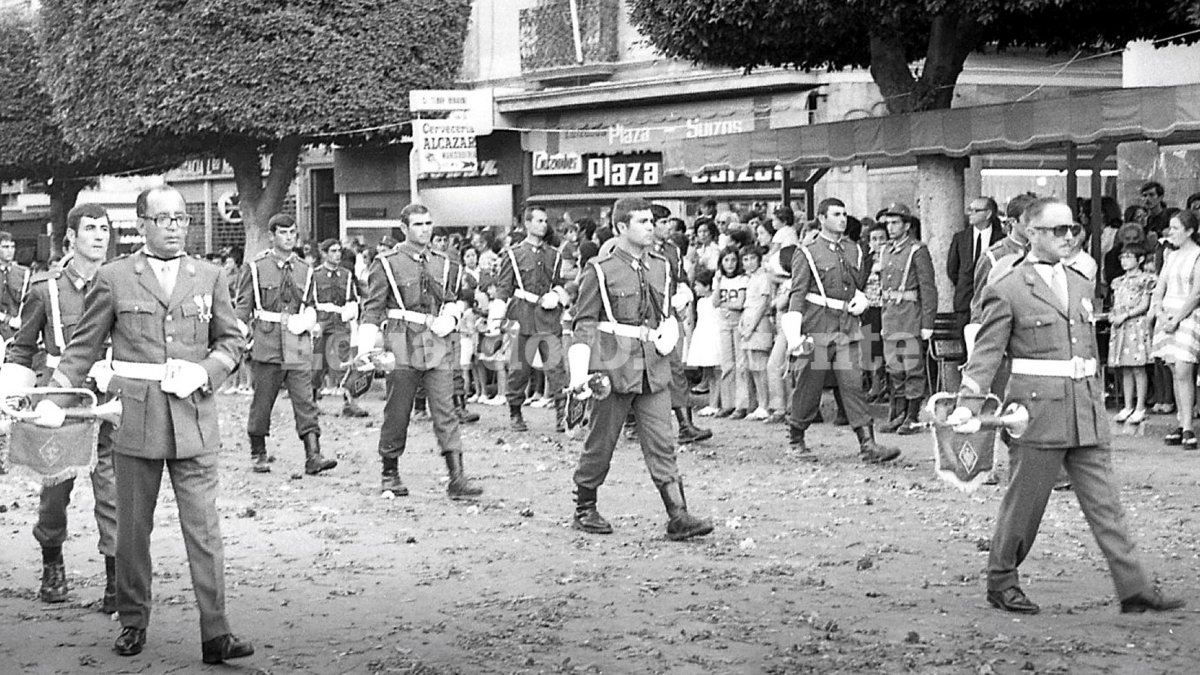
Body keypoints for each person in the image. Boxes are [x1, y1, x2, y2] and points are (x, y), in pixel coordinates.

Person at [39, 185, 253, 662]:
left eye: (181, 218)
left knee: (205, 530)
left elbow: (232, 344)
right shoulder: (116, 278)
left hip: (194, 418)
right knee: (133, 530)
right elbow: (83, 346)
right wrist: (57, 398)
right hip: (136, 418)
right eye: (164, 219)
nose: (175, 227)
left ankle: (216, 632)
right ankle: (133, 620)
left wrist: (205, 371)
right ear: (142, 225)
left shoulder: (210, 275)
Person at [954, 196, 1183, 616]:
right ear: (1032, 233)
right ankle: (1001, 580)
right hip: (1037, 413)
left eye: (1072, 229)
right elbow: (986, 353)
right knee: (1025, 504)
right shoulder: (1006, 288)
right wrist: (969, 402)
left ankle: (1134, 588)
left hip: (1084, 409)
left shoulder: (1080, 282)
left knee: (1106, 504)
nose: (1068, 236)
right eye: (1057, 230)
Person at [568, 196, 713, 541]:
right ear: (621, 227)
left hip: (653, 364)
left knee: (663, 441)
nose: (651, 227)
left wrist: (672, 329)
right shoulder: (600, 270)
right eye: (643, 222)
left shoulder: (661, 264)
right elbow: (585, 323)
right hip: (614, 366)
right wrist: (580, 374)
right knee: (601, 442)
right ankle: (584, 506)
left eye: (652, 221)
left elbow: (665, 312)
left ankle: (677, 514)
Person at [1, 204, 117, 610]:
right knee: (54, 491)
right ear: (70, 237)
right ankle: (52, 562)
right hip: (59, 402)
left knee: (113, 490)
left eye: (105, 228)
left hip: (107, 400)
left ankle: (115, 579)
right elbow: (21, 349)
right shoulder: (44, 288)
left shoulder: (120, 282)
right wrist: (13, 390)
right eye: (90, 229)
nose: (99, 236)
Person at [357, 203, 483, 499]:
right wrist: (365, 351)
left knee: (445, 408)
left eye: (428, 223)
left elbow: (451, 298)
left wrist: (450, 318)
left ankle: (457, 477)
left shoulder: (444, 262)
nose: (425, 229)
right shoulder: (386, 262)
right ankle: (390, 472)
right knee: (398, 410)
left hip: (436, 342)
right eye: (418, 224)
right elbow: (373, 309)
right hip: (401, 341)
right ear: (404, 228)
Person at [779, 198, 900, 464]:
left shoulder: (854, 249)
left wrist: (863, 299)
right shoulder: (808, 251)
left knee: (852, 385)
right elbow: (798, 292)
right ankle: (796, 437)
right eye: (836, 214)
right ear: (822, 218)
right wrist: (794, 333)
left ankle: (868, 444)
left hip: (847, 327)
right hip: (818, 328)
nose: (842, 219)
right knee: (809, 386)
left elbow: (857, 283)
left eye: (845, 214)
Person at [235, 214, 337, 476]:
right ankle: (258, 451)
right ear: (272, 236)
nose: (289, 237)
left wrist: (307, 319)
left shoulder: (305, 269)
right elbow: (244, 307)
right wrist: (235, 338)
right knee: (263, 399)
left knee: (305, 398)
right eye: (283, 232)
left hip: (297, 340)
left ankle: (313, 454)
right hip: (268, 340)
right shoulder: (256, 268)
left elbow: (312, 304)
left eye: (293, 232)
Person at [494, 206, 569, 432]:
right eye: (538, 220)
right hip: (523, 316)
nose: (543, 225)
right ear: (526, 223)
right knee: (520, 370)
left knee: (556, 368)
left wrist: (555, 295)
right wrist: (496, 319)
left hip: (548, 316)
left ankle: (561, 414)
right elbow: (504, 287)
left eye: (545, 221)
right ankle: (515, 412)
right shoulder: (513, 255)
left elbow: (559, 283)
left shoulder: (554, 255)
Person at [651, 204, 712, 444]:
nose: (668, 227)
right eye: (662, 223)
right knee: (638, 370)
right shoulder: (638, 250)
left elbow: (681, 279)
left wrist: (685, 294)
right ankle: (632, 423)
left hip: (668, 318)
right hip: (643, 321)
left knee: (676, 371)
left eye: (669, 222)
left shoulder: (673, 251)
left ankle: (686, 426)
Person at [874, 203, 937, 435]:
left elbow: (928, 288)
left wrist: (927, 323)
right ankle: (897, 414)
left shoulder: (916, 250)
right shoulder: (886, 250)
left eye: (895, 222)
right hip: (890, 317)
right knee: (894, 369)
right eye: (888, 223)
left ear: (907, 225)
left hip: (910, 316)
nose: (890, 227)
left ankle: (911, 416)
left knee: (912, 368)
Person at [1149, 209, 1200, 449]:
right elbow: (1159, 287)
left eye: (1176, 228)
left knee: (1183, 368)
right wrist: (1159, 311)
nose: (1171, 233)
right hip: (1167, 313)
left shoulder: (1198, 255)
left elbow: (1197, 293)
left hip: (1187, 315)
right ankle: (1182, 422)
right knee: (1173, 369)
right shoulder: (1170, 256)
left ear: (1190, 231)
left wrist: (1177, 318)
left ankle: (1189, 427)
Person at [311, 238, 368, 418]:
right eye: (333, 251)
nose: (337, 255)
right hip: (321, 321)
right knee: (317, 362)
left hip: (340, 321)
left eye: (339, 251)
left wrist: (350, 312)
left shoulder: (347, 275)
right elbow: (309, 299)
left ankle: (350, 402)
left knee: (344, 361)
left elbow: (352, 297)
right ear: (324, 254)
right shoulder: (315, 275)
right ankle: (311, 401)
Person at [1108, 243, 1156, 425]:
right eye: (1123, 257)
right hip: (1120, 325)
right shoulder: (1118, 281)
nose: (1124, 261)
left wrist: (1126, 315)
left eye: (1129, 257)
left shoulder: (1146, 280)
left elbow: (1144, 304)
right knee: (1125, 367)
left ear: (1140, 259)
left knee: (1138, 367)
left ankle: (1140, 406)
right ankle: (1128, 405)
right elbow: (1115, 302)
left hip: (1135, 324)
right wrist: (1114, 315)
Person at [948, 198, 1003, 329]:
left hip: (992, 303)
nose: (970, 214)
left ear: (988, 214)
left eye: (975, 210)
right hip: (964, 304)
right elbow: (952, 270)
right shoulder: (960, 238)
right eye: (969, 210)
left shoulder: (1001, 240)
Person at [711, 246, 749, 417]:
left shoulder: (742, 279)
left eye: (733, 260)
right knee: (727, 364)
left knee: (741, 364)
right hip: (724, 323)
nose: (730, 264)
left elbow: (739, 303)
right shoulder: (719, 279)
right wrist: (718, 282)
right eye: (726, 260)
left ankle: (741, 404)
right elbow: (714, 302)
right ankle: (728, 403)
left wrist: (724, 305)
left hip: (738, 321)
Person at [739, 245, 775, 420]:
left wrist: (751, 326)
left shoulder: (763, 278)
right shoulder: (751, 278)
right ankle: (759, 403)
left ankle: (765, 404)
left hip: (759, 322)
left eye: (752, 258)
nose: (748, 262)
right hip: (748, 319)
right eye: (745, 259)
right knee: (752, 365)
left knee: (760, 365)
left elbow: (762, 303)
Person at [0, 230, 32, 343]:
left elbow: (28, 302)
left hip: (17, 330)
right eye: (5, 247)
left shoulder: (23, 273)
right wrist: (7, 319)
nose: (10, 251)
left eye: (12, 247)